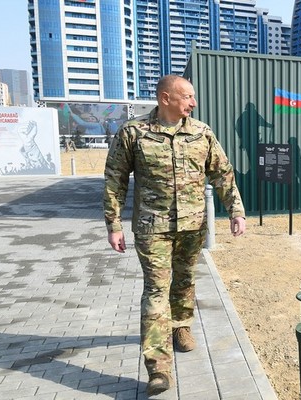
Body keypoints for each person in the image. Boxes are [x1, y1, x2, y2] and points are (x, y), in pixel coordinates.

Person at [103, 75, 246, 396]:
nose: (193, 103)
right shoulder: (134, 133)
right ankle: (158, 368)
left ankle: (181, 326)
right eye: (188, 97)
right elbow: (114, 180)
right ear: (165, 98)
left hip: (193, 227)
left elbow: (222, 173)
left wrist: (236, 210)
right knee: (155, 291)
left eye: (193, 98)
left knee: (184, 281)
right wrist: (113, 225)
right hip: (152, 227)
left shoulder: (201, 132)